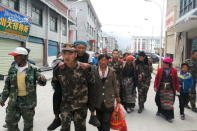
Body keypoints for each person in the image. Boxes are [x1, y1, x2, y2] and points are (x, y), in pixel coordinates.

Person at [0, 47, 46, 131]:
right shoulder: (12, 69)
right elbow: (7, 86)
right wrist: (2, 98)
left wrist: (41, 78)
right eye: (14, 56)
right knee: (10, 122)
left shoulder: (33, 69)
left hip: (28, 102)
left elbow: (42, 81)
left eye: (16, 56)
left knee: (28, 126)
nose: (14, 58)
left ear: (24, 57)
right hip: (14, 101)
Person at [47, 41, 90, 130]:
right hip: (65, 105)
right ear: (62, 54)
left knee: (80, 129)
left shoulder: (83, 68)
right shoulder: (58, 69)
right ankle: (56, 119)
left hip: (80, 106)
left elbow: (92, 83)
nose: (67, 56)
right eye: (64, 53)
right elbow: (55, 84)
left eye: (70, 53)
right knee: (65, 128)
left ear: (75, 54)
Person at [91, 54, 120, 131]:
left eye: (105, 60)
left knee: (106, 121)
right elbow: (91, 85)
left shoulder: (112, 72)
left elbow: (115, 85)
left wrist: (117, 96)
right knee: (99, 122)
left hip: (109, 100)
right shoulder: (94, 71)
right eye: (101, 60)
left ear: (108, 61)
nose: (103, 62)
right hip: (98, 100)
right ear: (98, 61)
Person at [154, 57, 179, 123]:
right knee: (158, 100)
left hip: (170, 88)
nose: (162, 64)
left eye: (163, 63)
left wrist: (177, 89)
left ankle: (168, 116)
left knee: (169, 103)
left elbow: (176, 80)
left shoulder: (174, 70)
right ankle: (160, 110)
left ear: (167, 64)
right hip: (161, 88)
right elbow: (156, 78)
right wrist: (155, 86)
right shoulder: (160, 70)